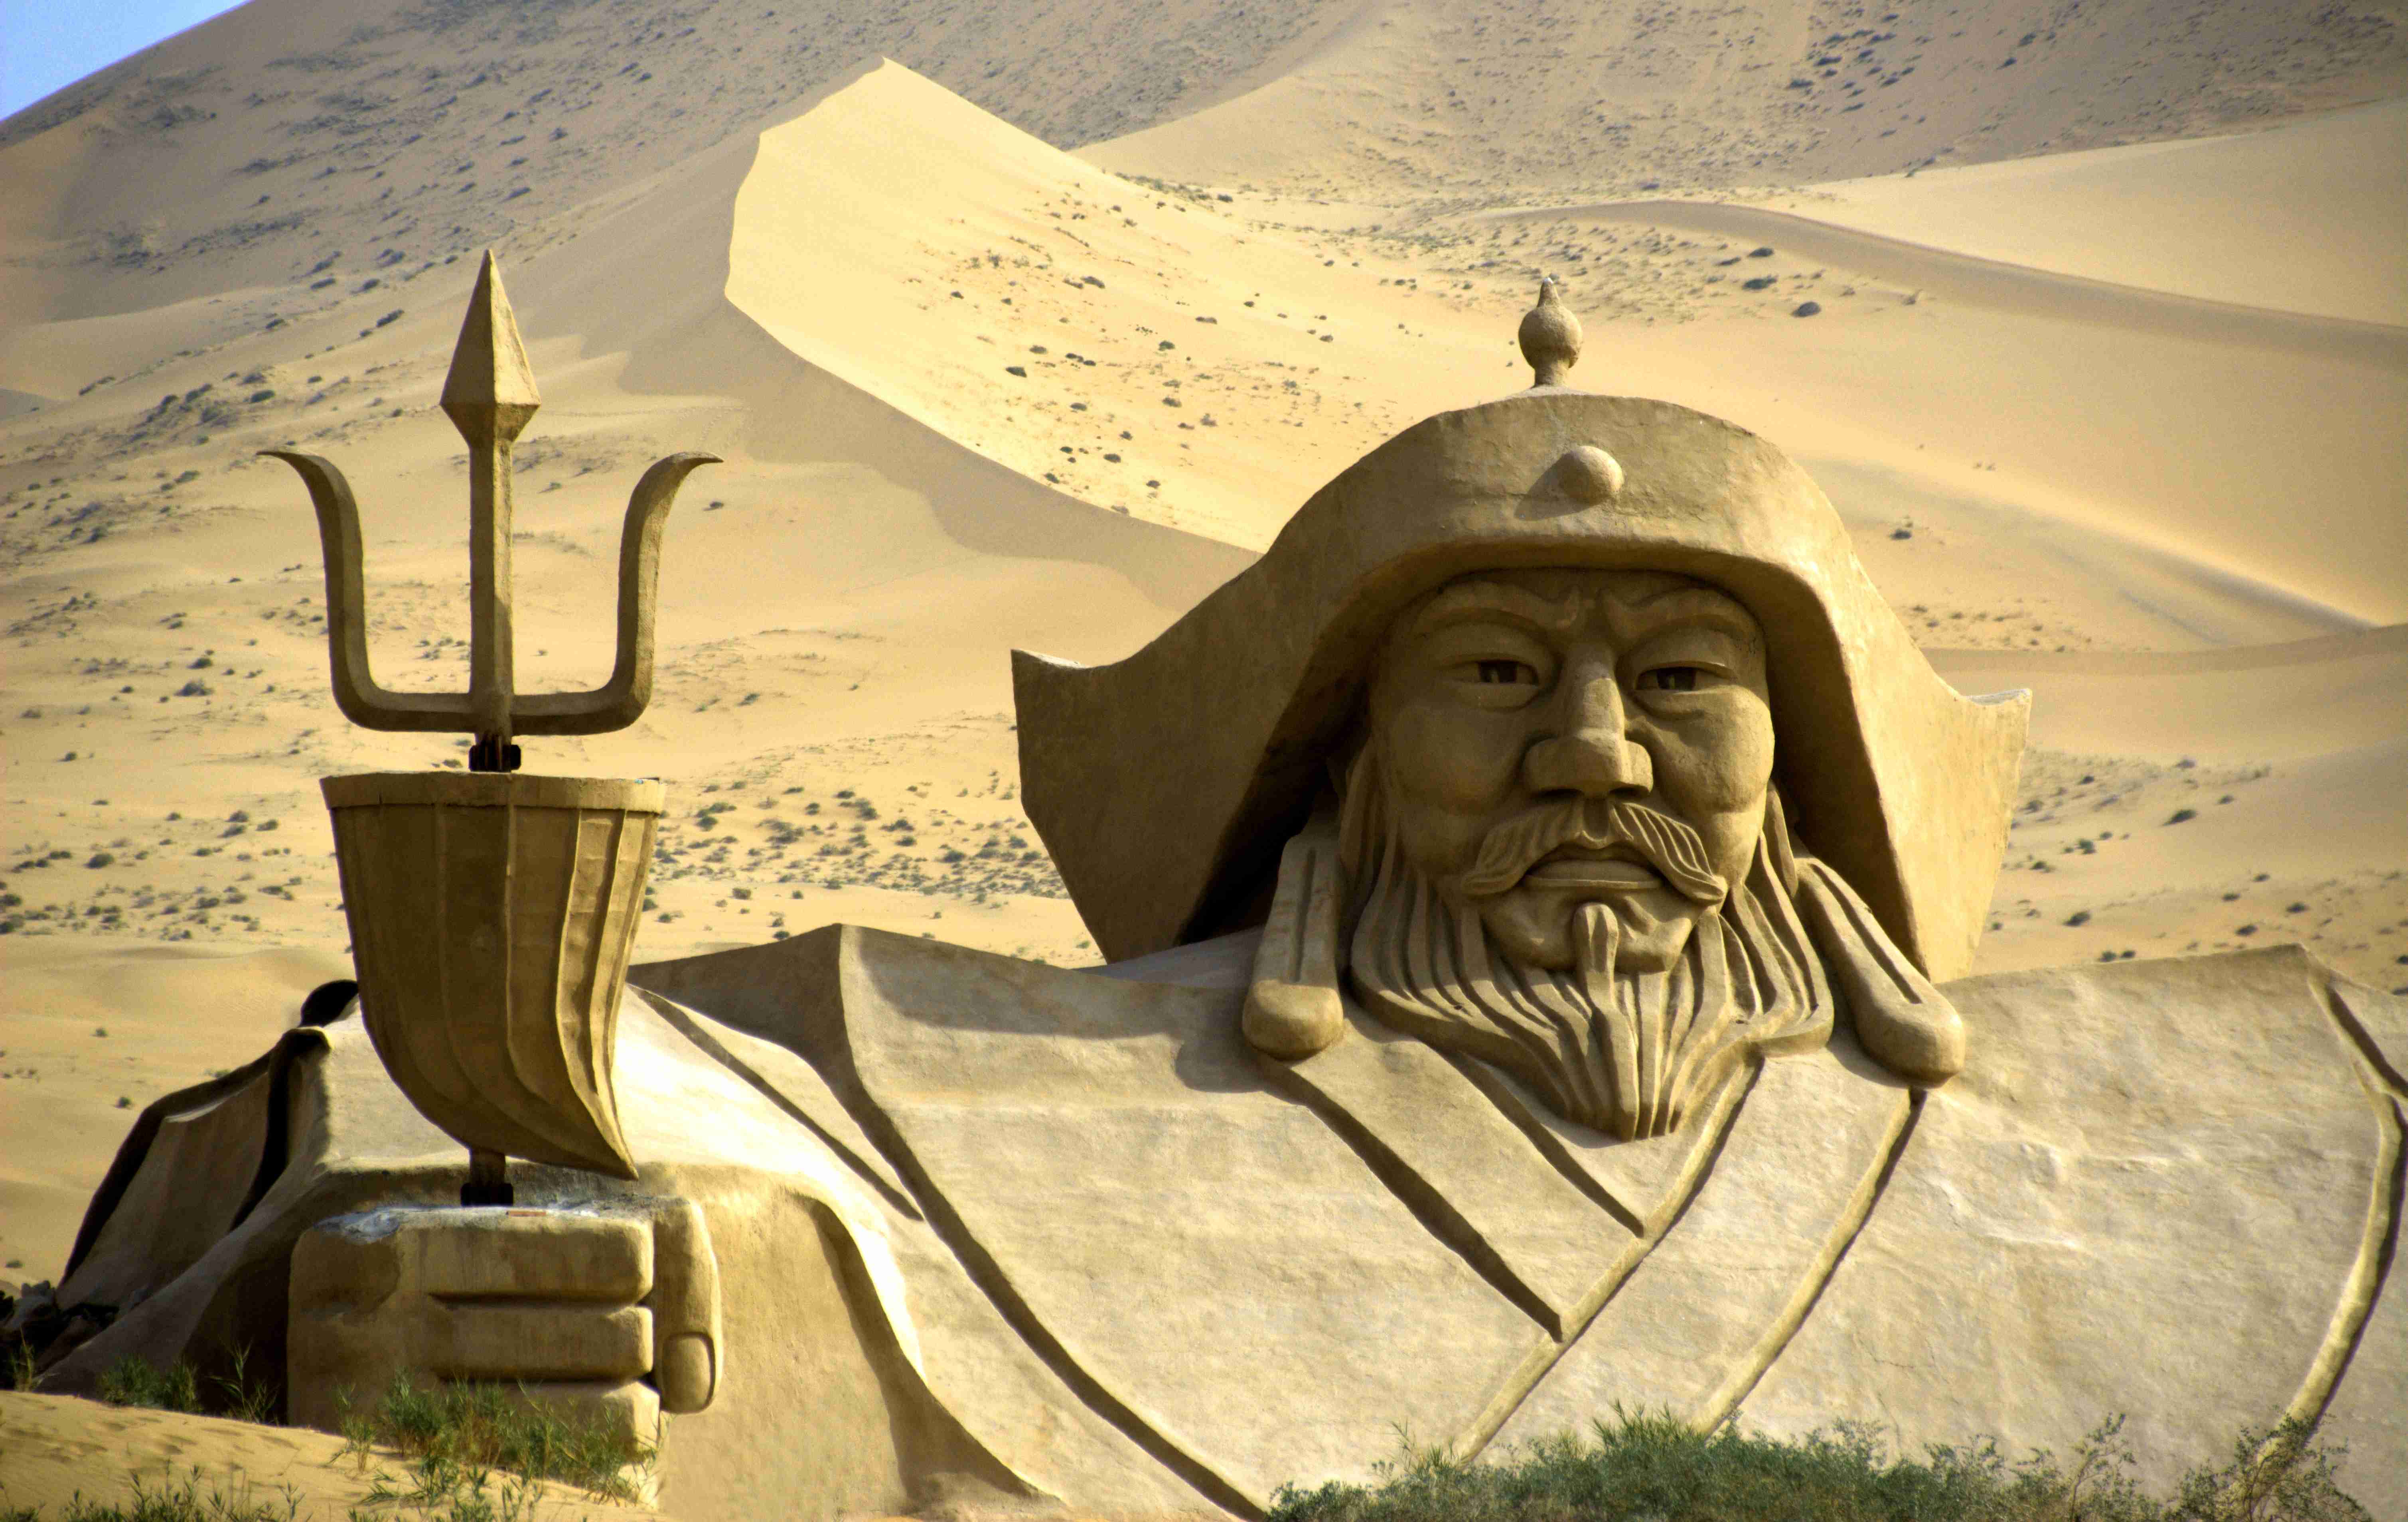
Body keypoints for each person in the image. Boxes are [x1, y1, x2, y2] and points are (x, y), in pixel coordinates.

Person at [32, 290, 2406, 1522]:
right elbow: (586, 1118)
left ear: (1809, 754)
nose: (1595, 757)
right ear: (1342, 751)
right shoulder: (945, 1078)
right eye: (1496, 676)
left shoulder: (2266, 1115)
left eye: (1687, 681)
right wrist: (388, 1289)